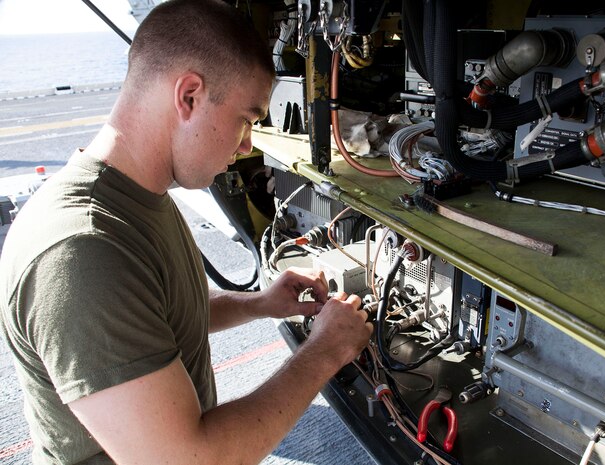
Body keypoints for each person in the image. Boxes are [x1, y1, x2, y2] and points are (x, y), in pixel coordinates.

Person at [0, 1, 373, 464]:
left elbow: (157, 316)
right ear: (190, 95)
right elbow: (187, 459)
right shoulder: (82, 250)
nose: (245, 146)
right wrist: (323, 353)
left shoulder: (138, 196)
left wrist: (260, 304)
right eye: (245, 119)